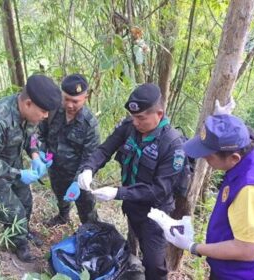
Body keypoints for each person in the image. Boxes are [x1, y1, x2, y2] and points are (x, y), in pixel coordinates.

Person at [149, 114, 254, 280]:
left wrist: (193, 247)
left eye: (208, 156)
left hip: (246, 275)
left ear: (234, 158)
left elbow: (247, 250)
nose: (204, 159)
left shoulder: (252, 190)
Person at [77, 83, 187, 280]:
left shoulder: (172, 145)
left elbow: (159, 191)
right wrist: (88, 169)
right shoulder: (129, 128)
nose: (135, 122)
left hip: (155, 214)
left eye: (141, 118)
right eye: (133, 117)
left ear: (159, 114)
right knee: (131, 247)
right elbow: (105, 149)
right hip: (131, 206)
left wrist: (117, 193)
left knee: (154, 265)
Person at [0, 75, 62, 262]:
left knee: (26, 201)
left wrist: (35, 155)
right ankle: (18, 244)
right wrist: (18, 174)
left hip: (10, 161)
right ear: (28, 103)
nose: (46, 116)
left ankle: (22, 231)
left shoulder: (28, 115)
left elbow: (30, 136)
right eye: (43, 111)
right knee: (14, 211)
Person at [38, 74, 100, 226]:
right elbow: (39, 133)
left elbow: (90, 159)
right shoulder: (52, 110)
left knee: (86, 208)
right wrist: (41, 152)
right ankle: (63, 216)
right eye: (66, 99)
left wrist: (77, 182)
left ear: (85, 98)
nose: (70, 105)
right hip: (55, 168)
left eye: (75, 101)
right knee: (60, 196)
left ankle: (90, 231)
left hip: (78, 174)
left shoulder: (89, 124)